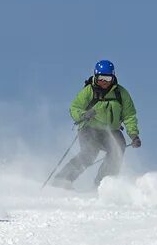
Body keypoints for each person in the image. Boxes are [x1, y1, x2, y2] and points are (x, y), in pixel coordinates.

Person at [52, 59, 140, 188]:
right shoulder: (89, 91)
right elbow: (75, 107)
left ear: (113, 77)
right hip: (89, 128)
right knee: (89, 153)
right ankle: (62, 180)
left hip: (111, 130)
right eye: (100, 78)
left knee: (118, 150)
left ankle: (103, 184)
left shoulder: (121, 94)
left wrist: (134, 135)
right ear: (95, 76)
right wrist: (83, 115)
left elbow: (129, 115)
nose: (103, 82)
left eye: (107, 78)